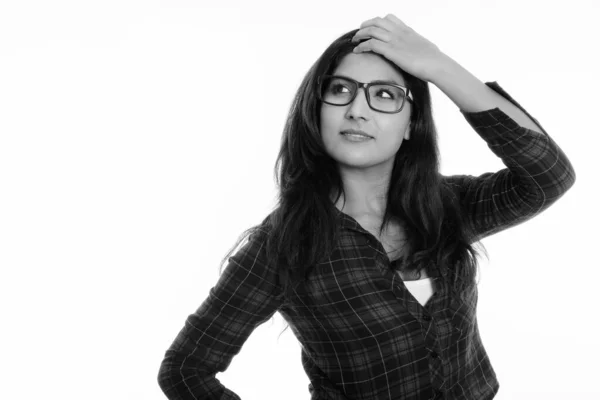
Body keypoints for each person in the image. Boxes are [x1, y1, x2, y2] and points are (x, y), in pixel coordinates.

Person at [157, 14, 575, 400]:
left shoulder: (447, 206)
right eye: (340, 90)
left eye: (385, 95)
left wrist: (438, 66)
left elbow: (549, 175)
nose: (357, 111)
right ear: (316, 109)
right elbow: (185, 370)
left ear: (411, 123)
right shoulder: (283, 244)